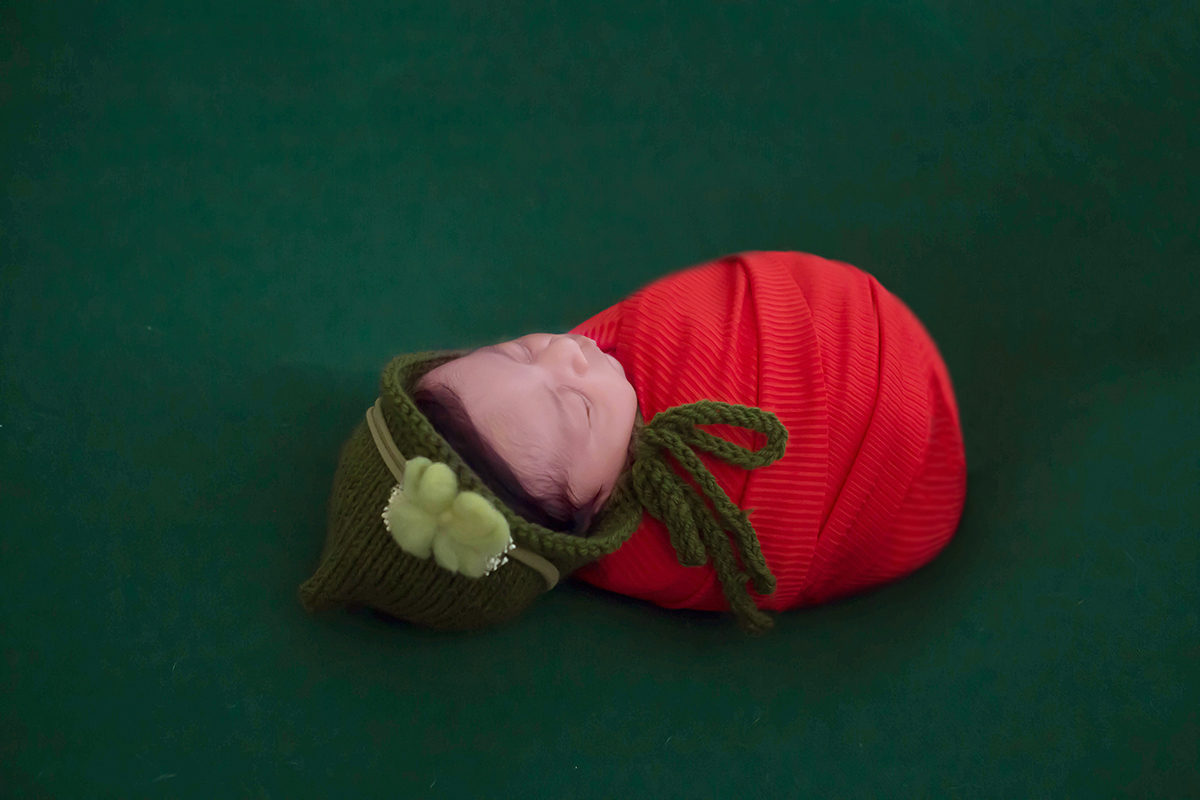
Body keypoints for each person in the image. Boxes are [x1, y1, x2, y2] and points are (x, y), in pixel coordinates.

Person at [300, 251, 967, 633]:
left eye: (520, 350)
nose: (569, 353)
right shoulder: (682, 528)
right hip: (886, 452)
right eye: (579, 409)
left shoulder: (604, 349)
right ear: (588, 520)